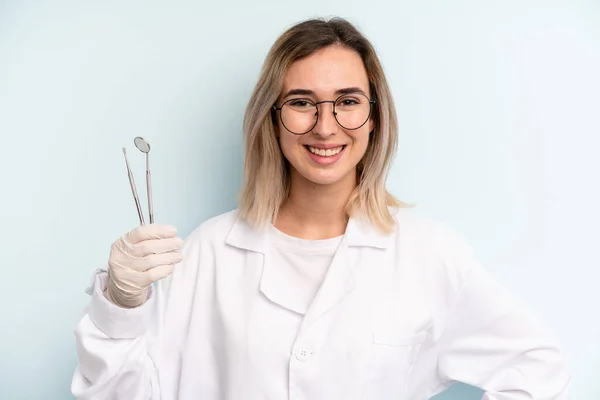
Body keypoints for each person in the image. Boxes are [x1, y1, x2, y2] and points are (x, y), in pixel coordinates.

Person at [71, 17, 571, 400]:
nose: (326, 127)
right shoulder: (210, 252)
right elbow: (124, 393)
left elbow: (537, 365)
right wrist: (120, 304)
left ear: (374, 118)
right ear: (273, 117)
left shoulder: (427, 252)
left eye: (348, 101)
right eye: (302, 102)